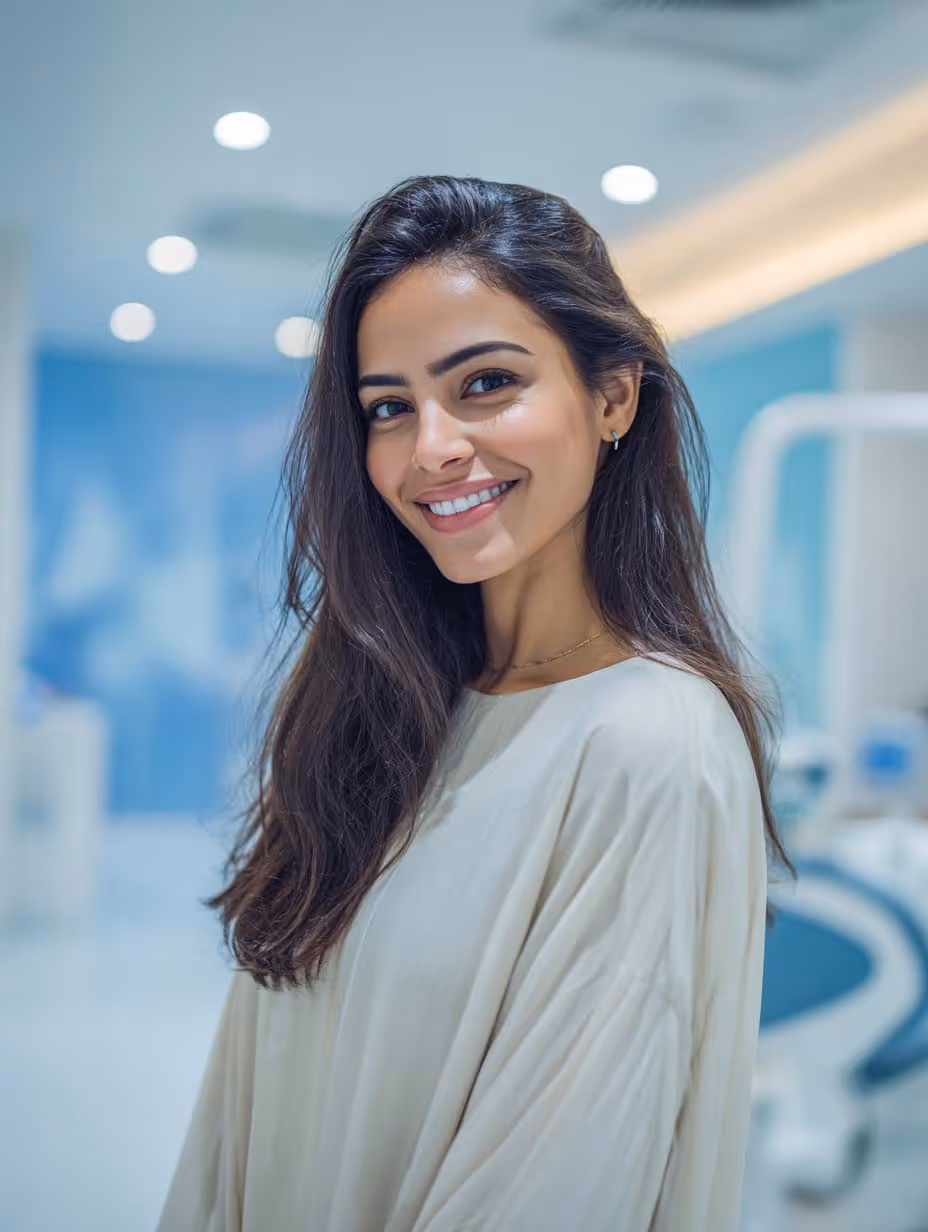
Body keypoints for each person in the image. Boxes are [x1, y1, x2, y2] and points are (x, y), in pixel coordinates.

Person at [157, 174, 793, 1231]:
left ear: (612, 397)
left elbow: (556, 1186)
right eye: (388, 407)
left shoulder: (650, 745)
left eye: (486, 382)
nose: (431, 448)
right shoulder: (381, 707)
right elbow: (244, 1101)